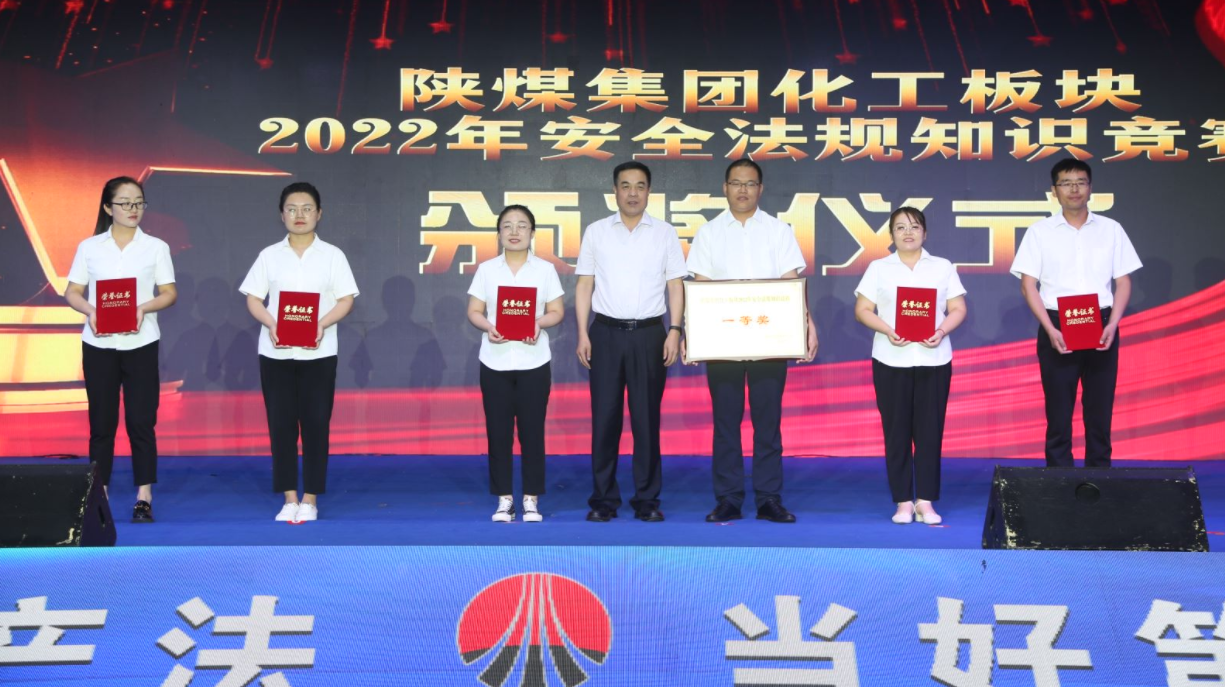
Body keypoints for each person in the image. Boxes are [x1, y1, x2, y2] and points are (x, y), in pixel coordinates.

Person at [686, 159, 818, 524]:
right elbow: (700, 285)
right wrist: (692, 333)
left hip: (769, 339)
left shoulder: (778, 230)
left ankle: (768, 498)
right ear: (725, 188)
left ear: (760, 189)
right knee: (725, 423)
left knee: (768, 422)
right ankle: (728, 498)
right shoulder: (709, 233)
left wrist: (807, 322)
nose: (742, 190)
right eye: (735, 183)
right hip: (722, 341)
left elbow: (791, 281)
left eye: (749, 183)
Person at [239, 182, 359, 522]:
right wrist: (271, 322)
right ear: (282, 215)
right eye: (292, 209)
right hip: (276, 353)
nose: (299, 215)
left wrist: (322, 323)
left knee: (316, 424)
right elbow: (253, 298)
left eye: (307, 208)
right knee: (281, 426)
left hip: (319, 354)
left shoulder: (333, 255)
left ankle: (311, 498)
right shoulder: (269, 255)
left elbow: (346, 299)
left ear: (319, 213)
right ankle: (289, 497)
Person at [575, 161, 687, 523]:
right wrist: (582, 333)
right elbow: (585, 284)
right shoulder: (596, 232)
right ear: (615, 191)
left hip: (650, 335)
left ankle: (647, 499)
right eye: (625, 186)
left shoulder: (665, 233)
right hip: (605, 334)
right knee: (604, 420)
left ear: (649, 191)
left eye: (640, 186)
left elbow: (675, 285)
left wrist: (675, 330)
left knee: (646, 420)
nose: (633, 193)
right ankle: (603, 500)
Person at [1010, 159, 1142, 467]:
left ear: (1090, 188)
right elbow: (1028, 286)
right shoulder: (1039, 232)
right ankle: (1059, 477)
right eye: (1066, 183)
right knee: (1058, 410)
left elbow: (1123, 282)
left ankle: (1099, 476)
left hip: (1102, 323)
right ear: (1054, 191)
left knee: (1100, 408)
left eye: (1081, 182)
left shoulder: (1111, 229)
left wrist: (1113, 323)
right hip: (1057, 323)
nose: (1074, 189)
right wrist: (1050, 328)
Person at [64, 176, 177, 523]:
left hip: (141, 343)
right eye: (125, 203)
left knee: (141, 421)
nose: (133, 209)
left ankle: (144, 496)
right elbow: (72, 292)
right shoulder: (89, 247)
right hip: (98, 344)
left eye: (139, 202)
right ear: (107, 207)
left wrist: (144, 307)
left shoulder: (156, 247)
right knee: (102, 423)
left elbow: (169, 293)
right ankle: (99, 496)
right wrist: (91, 311)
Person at [853, 207, 967, 525]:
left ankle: (925, 501)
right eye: (900, 227)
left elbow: (958, 308)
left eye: (914, 227)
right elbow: (862, 309)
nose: (908, 232)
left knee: (930, 433)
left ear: (925, 233)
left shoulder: (942, 267)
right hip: (891, 360)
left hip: (934, 360)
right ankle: (903, 501)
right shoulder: (879, 268)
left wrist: (941, 331)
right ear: (891, 234)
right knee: (896, 433)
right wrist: (887, 329)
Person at [466, 205, 565, 522]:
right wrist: (487, 326)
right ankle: (504, 499)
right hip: (494, 362)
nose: (514, 231)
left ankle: (531, 499)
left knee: (532, 432)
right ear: (498, 233)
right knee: (498, 433)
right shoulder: (487, 270)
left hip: (534, 362)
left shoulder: (545, 270)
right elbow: (474, 311)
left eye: (522, 225)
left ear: (532, 233)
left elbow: (557, 311)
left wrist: (538, 323)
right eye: (507, 225)